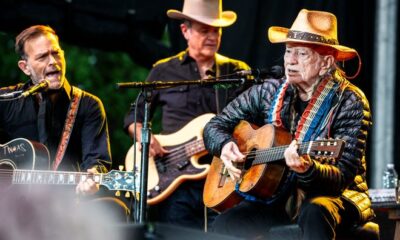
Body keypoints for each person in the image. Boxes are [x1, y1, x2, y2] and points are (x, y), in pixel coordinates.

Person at [203, 9, 376, 239]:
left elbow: (341, 177)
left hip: (337, 196)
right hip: (277, 196)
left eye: (302, 53)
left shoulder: (350, 101)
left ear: (325, 63)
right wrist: (225, 146)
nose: (290, 61)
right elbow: (214, 126)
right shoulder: (269, 91)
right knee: (227, 223)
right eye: (288, 51)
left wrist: (308, 170)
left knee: (315, 211)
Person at [124, 0, 251, 230]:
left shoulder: (236, 71)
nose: (212, 37)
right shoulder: (164, 70)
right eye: (205, 30)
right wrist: (145, 137)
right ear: (185, 31)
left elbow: (252, 122)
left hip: (222, 179)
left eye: (216, 31)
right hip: (174, 181)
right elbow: (133, 117)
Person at [0, 25, 112, 195]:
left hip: (62, 208)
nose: (53, 61)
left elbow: (96, 162)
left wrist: (92, 179)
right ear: (25, 67)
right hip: (11, 210)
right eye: (42, 57)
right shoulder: (7, 100)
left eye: (56, 53)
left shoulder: (88, 105)